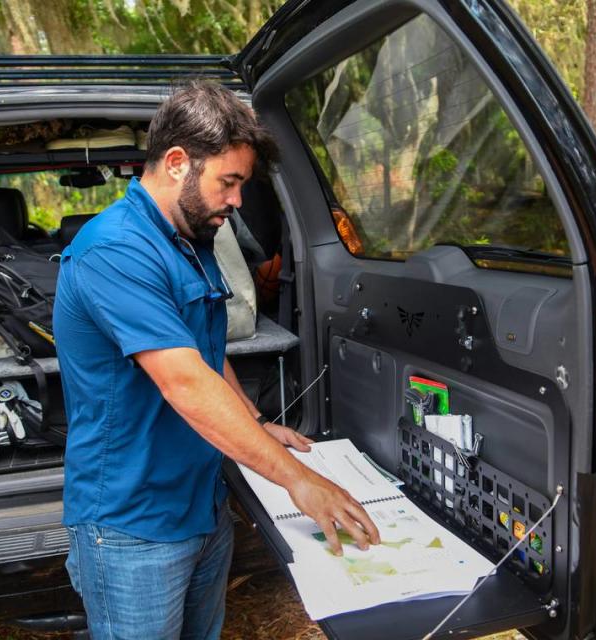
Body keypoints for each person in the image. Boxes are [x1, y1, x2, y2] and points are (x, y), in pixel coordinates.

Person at [53, 82, 380, 640]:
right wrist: (300, 482)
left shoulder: (190, 236)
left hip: (201, 504)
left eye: (241, 185)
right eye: (228, 182)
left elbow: (204, 353)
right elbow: (183, 382)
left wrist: (253, 423)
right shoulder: (115, 249)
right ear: (178, 162)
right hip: (134, 526)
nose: (236, 201)